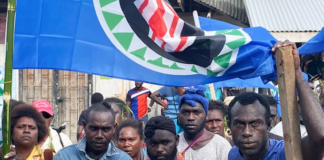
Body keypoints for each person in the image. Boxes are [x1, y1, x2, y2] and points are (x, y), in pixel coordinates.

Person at [228, 41, 324, 160]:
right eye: (239, 124)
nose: (247, 132)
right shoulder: (234, 154)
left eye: (255, 123)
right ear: (229, 126)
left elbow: (320, 136)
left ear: (268, 124)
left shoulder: (285, 153)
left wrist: (296, 72)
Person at [54, 101, 132, 160]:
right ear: (84, 126)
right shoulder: (64, 157)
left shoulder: (123, 158)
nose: (99, 135)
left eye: (105, 129)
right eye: (94, 128)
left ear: (114, 128)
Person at [177, 86, 231, 160]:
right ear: (179, 115)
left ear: (206, 116)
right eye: (185, 112)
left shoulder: (221, 145)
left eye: (196, 112)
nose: (191, 117)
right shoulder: (172, 143)